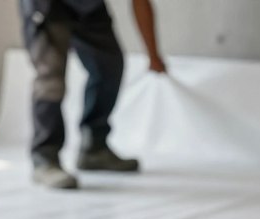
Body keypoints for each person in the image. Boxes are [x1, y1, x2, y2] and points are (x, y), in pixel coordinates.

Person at [19, 0, 166, 189]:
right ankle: (45, 157)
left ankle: (94, 148)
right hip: (46, 5)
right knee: (51, 77)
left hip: (89, 6)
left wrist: (153, 55)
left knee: (109, 66)